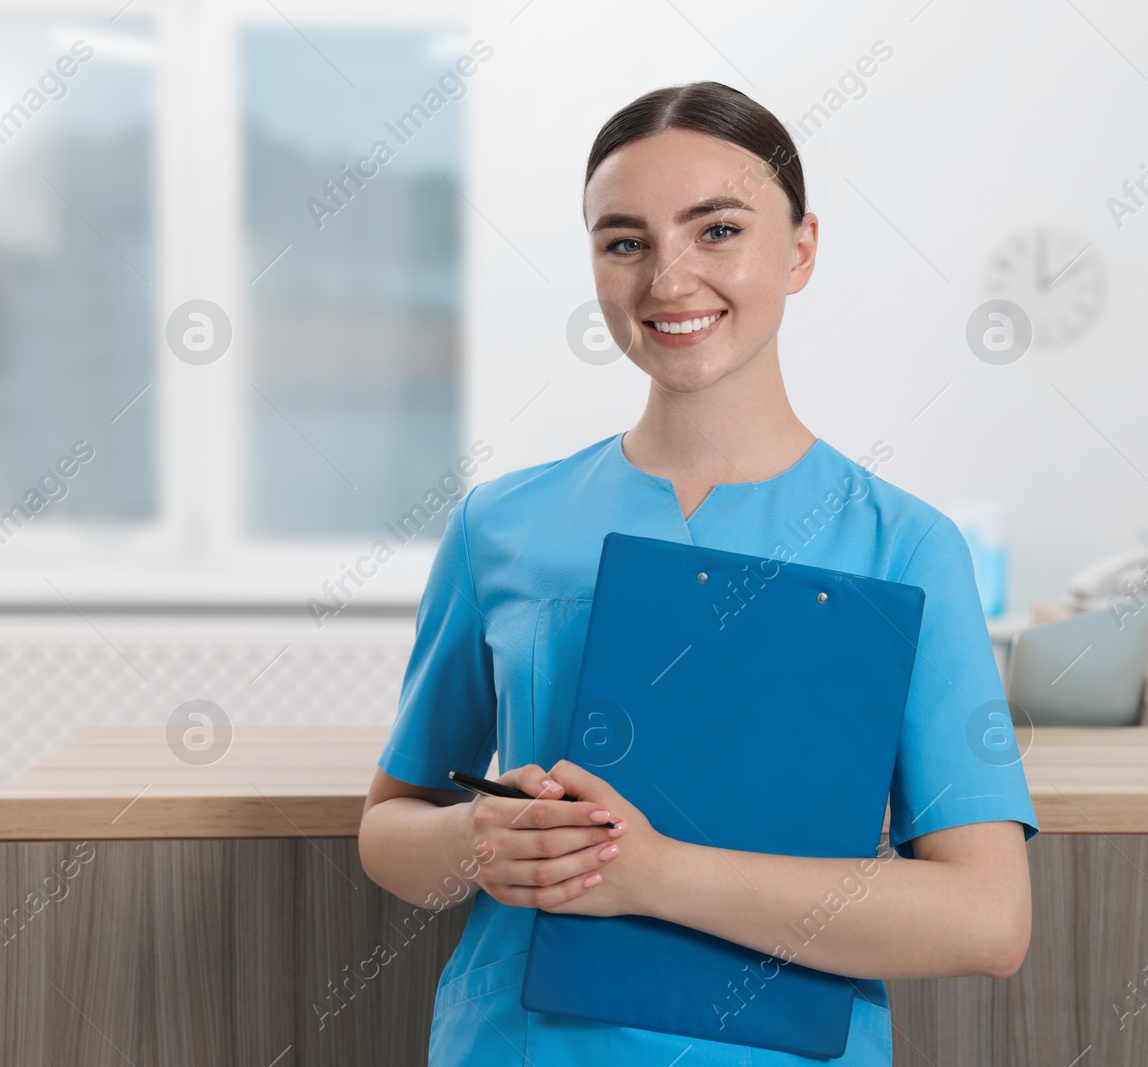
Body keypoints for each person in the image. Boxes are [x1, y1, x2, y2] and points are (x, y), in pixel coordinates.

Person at [358, 80, 1038, 1067]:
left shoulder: (906, 547)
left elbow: (985, 916)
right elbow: (390, 823)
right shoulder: (498, 524)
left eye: (717, 230)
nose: (669, 281)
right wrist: (478, 839)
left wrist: (657, 873)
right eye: (624, 242)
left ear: (800, 247)